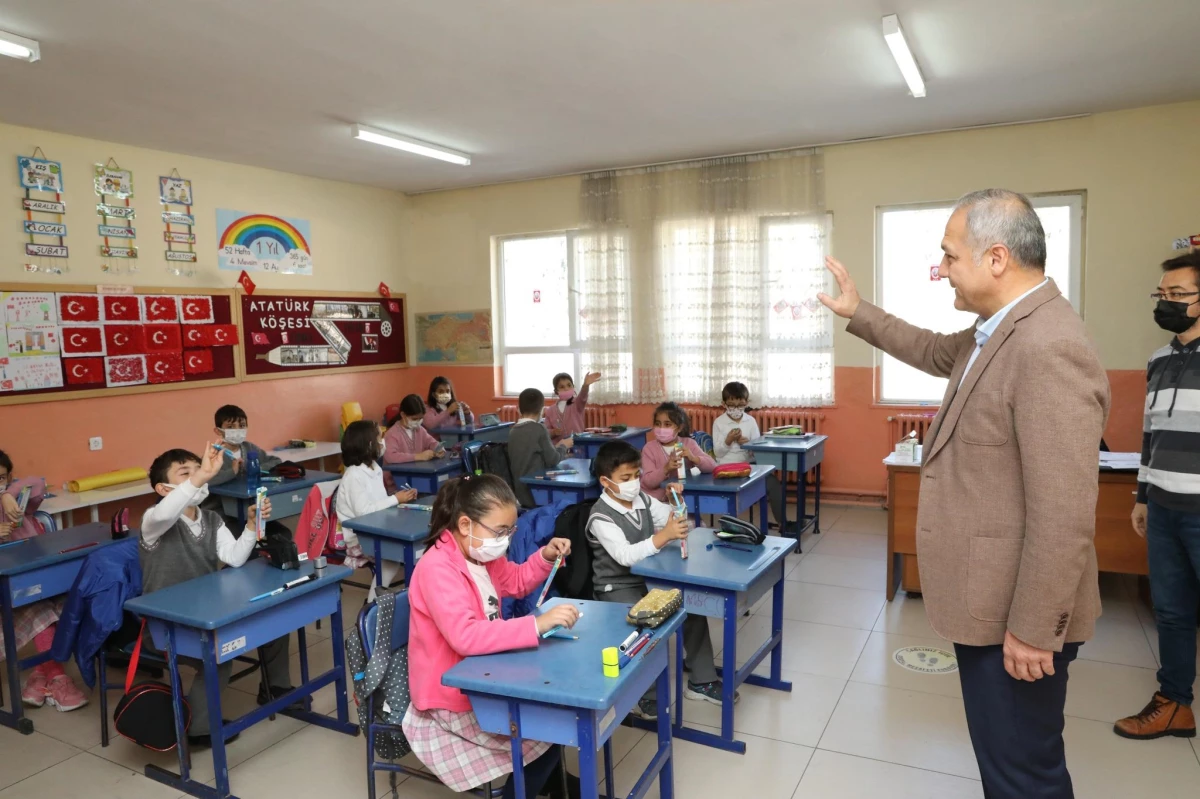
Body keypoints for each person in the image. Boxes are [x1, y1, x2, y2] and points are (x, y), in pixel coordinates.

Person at [817, 188, 1109, 799]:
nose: (942, 268)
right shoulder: (995, 330)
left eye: (949, 256)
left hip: (1016, 617)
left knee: (1024, 775)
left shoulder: (1046, 344)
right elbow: (927, 348)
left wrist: (1033, 628)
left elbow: (1064, 513)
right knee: (1011, 766)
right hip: (991, 605)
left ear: (996, 257)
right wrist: (856, 310)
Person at [403, 475, 579, 798]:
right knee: (547, 733)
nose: (506, 541)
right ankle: (525, 789)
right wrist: (534, 626)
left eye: (510, 531)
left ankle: (548, 782)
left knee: (555, 724)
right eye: (500, 532)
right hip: (452, 697)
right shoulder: (437, 569)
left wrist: (545, 557)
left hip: (485, 675)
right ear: (466, 524)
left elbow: (515, 580)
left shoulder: (480, 555)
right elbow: (466, 637)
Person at [141, 444, 295, 748]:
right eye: (186, 473)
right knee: (218, 657)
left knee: (274, 621)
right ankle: (198, 729)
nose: (198, 476)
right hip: (167, 625)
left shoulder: (211, 520)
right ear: (163, 487)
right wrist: (200, 477)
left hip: (208, 612)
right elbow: (165, 512)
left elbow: (235, 557)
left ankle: (277, 689)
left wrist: (251, 526)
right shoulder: (153, 521)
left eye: (198, 469)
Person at [1115, 250, 1200, 741]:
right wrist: (1143, 495)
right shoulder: (1160, 358)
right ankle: (1175, 704)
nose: (1166, 303)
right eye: (1162, 295)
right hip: (1164, 506)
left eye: (1179, 295)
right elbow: (1151, 433)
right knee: (1171, 610)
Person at [588, 441, 733, 720]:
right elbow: (625, 555)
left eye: (636, 476)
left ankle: (701, 679)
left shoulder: (640, 498)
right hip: (616, 587)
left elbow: (671, 517)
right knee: (647, 625)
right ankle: (645, 696)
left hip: (647, 577)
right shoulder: (600, 516)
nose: (633, 483)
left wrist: (673, 499)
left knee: (688, 602)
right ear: (605, 481)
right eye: (625, 479)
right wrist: (663, 536)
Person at [0, 451, 89, 712]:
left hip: (35, 576)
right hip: (9, 589)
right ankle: (56, 676)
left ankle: (41, 675)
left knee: (68, 601)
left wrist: (8, 495)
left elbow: (37, 482)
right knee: (43, 610)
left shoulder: (17, 501)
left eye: (2, 478)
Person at [335, 420, 418, 599]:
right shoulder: (354, 476)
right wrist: (395, 498)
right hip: (359, 538)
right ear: (369, 444)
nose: (383, 442)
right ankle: (372, 605)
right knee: (392, 559)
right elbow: (365, 512)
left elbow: (379, 503)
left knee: (412, 549)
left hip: (378, 528)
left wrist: (401, 497)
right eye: (380, 437)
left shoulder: (374, 468)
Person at [203, 404, 287, 538]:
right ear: (218, 431)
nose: (237, 430)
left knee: (281, 534)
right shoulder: (214, 454)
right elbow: (207, 480)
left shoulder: (249, 448)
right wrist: (232, 471)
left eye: (241, 426)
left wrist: (257, 468)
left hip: (248, 508)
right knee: (243, 537)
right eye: (230, 427)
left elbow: (275, 460)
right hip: (221, 512)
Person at [712, 382, 785, 529]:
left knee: (773, 483)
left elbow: (757, 450)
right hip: (726, 468)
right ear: (724, 404)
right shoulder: (719, 423)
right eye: (732, 405)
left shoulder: (750, 421)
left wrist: (747, 444)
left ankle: (783, 523)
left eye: (740, 405)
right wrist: (728, 440)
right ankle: (730, 527)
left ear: (747, 403)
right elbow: (717, 453)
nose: (736, 409)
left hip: (749, 467)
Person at [508, 388, 573, 508]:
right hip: (536, 491)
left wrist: (556, 447)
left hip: (519, 491)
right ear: (542, 410)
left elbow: (533, 451)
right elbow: (552, 460)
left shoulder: (513, 431)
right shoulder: (539, 429)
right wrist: (564, 445)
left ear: (518, 410)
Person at [639, 402, 715, 502]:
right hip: (657, 502)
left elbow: (712, 466)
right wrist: (666, 468)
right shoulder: (649, 448)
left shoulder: (689, 443)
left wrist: (693, 458)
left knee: (692, 516)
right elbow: (647, 482)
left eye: (667, 424)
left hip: (683, 499)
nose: (661, 428)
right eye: (658, 424)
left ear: (679, 427)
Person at [382, 394, 444, 490]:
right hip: (397, 484)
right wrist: (418, 456)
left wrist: (438, 448)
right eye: (414, 419)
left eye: (421, 418)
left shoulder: (420, 429)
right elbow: (391, 456)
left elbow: (431, 442)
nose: (418, 422)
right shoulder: (392, 434)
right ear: (403, 415)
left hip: (417, 479)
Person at [543, 371, 600, 446]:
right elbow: (545, 431)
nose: (566, 388)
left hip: (578, 445)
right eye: (562, 387)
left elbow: (582, 397)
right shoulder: (550, 411)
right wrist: (553, 432)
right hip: (559, 449)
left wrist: (585, 386)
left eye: (569, 385)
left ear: (573, 387)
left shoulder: (576, 403)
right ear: (556, 391)